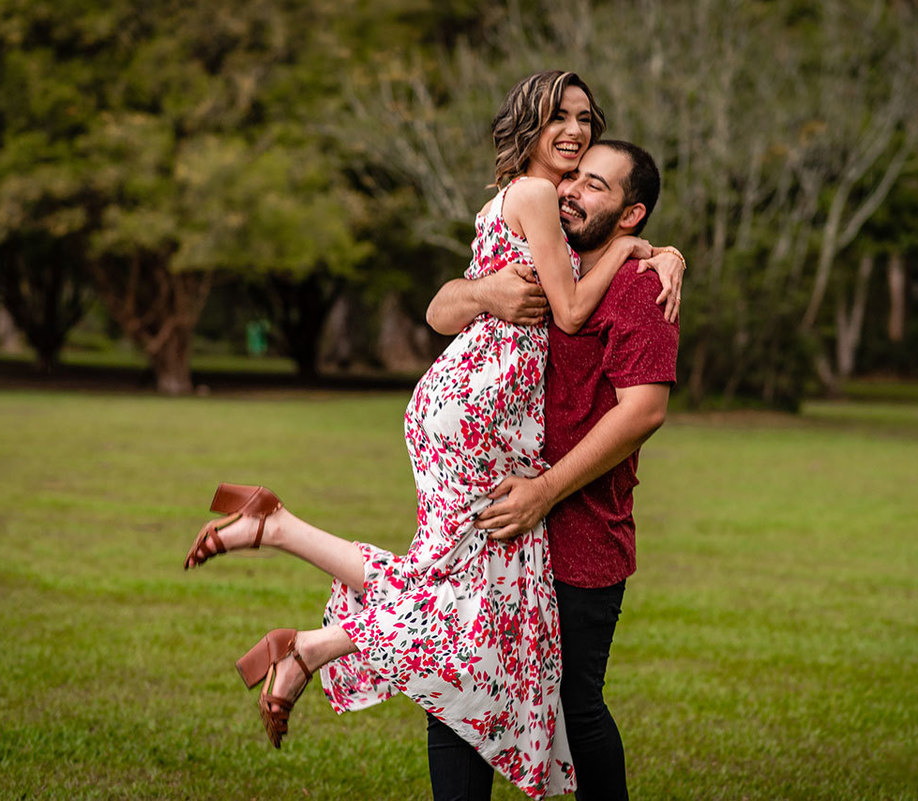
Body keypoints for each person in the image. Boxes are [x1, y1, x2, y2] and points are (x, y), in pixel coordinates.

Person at [182, 72, 684, 801]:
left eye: (585, 132)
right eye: (560, 126)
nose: (573, 154)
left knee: (455, 609)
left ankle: (296, 589)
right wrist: (631, 250)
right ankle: (281, 542)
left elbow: (634, 399)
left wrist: (656, 252)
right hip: (479, 417)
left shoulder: (580, 243)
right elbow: (458, 305)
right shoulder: (544, 207)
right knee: (450, 607)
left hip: (511, 453)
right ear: (533, 131)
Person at [421, 139, 680, 801]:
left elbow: (644, 410)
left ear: (631, 215)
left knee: (573, 703)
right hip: (502, 526)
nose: (571, 190)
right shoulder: (542, 260)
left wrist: (544, 490)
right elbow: (440, 309)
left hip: (578, 537)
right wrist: (484, 292)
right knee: (460, 687)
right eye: (574, 176)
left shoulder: (639, 286)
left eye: (596, 186)